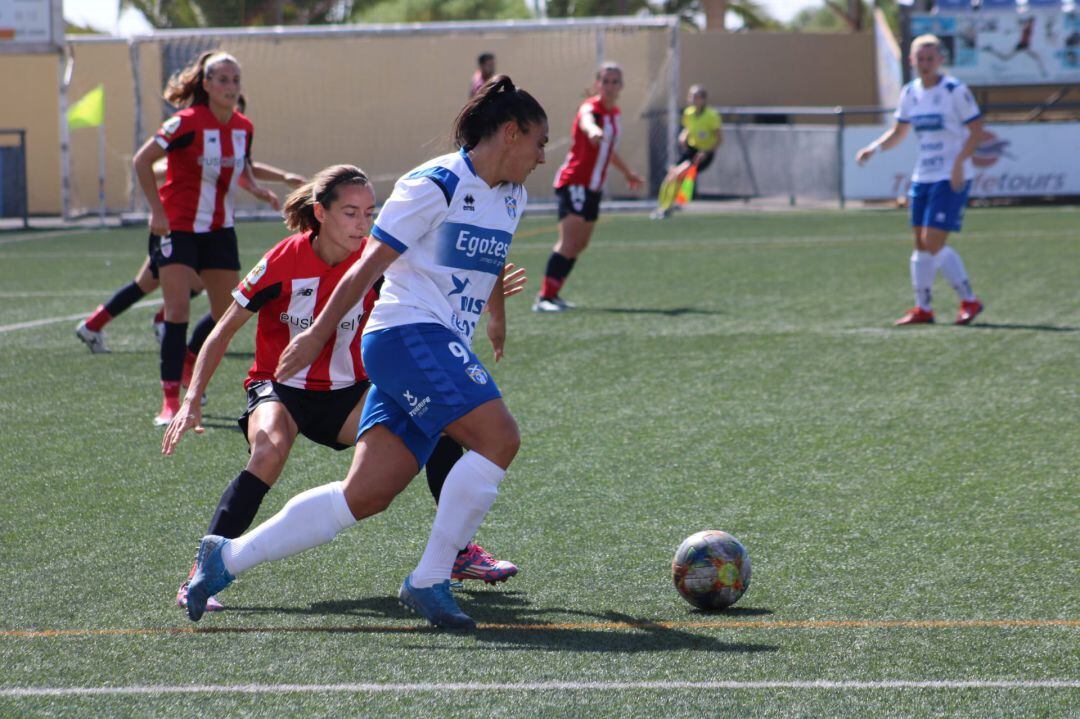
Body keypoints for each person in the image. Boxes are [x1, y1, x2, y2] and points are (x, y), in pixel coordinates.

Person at [183, 75, 548, 631]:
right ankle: (430, 578)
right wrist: (314, 334)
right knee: (499, 437)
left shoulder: (513, 194)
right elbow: (366, 267)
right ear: (511, 132)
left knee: (365, 495)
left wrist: (495, 312)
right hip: (406, 336)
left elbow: (487, 252)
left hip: (436, 340)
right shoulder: (434, 184)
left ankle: (224, 559)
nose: (543, 156)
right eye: (540, 142)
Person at [75, 97, 305, 355]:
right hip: (179, 226)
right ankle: (170, 339)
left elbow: (240, 168)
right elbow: (161, 164)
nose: (229, 114)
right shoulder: (191, 132)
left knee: (159, 283)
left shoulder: (235, 134)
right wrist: (181, 173)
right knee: (160, 283)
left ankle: (104, 324)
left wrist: (276, 180)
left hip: (208, 227)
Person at [132, 51, 280, 426]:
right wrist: (157, 210)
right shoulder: (183, 122)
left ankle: (188, 359)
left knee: (226, 312)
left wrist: (259, 190)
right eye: (223, 80)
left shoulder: (243, 126)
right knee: (177, 310)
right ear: (207, 84)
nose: (231, 87)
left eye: (235, 80)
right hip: (178, 227)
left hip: (219, 229)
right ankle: (169, 401)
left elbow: (239, 169)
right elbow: (141, 161)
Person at [855, 34, 986, 326]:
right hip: (923, 175)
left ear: (940, 60)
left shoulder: (955, 91)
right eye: (920, 59)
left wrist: (958, 164)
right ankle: (923, 308)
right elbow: (900, 132)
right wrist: (873, 148)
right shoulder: (910, 92)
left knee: (933, 241)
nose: (925, 64)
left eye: (931, 58)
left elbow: (977, 131)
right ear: (911, 61)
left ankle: (969, 299)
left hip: (950, 177)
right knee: (919, 243)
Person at [533, 62, 643, 313]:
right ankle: (544, 298)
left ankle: (554, 294)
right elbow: (587, 122)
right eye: (606, 81)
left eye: (615, 81)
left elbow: (608, 150)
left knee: (580, 245)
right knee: (568, 242)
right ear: (597, 84)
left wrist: (628, 173)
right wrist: (593, 130)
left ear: (621, 86)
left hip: (593, 187)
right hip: (574, 183)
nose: (610, 86)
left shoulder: (614, 114)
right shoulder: (590, 108)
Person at [651, 84, 722, 220]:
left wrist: (706, 152)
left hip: (704, 153)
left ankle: (668, 207)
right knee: (671, 175)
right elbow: (688, 129)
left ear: (703, 99)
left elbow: (719, 139)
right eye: (690, 97)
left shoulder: (711, 116)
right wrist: (683, 135)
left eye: (695, 97)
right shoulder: (689, 113)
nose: (692, 99)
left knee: (678, 174)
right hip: (691, 150)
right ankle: (663, 206)